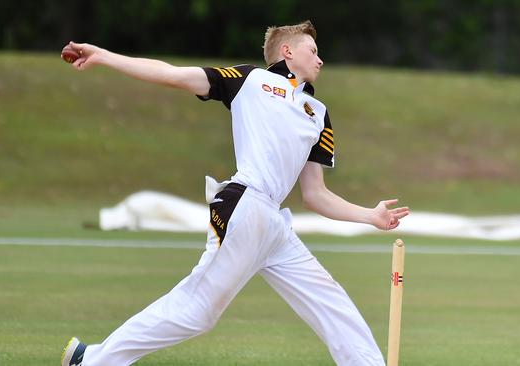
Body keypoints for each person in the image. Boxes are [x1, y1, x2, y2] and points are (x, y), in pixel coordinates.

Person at [60, 20, 409, 366]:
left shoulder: (317, 114)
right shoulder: (250, 80)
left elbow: (315, 194)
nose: (320, 60)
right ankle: (91, 361)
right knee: (197, 312)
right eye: (313, 51)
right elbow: (172, 75)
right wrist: (104, 55)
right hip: (245, 205)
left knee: (330, 300)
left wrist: (370, 216)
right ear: (287, 51)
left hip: (274, 226)